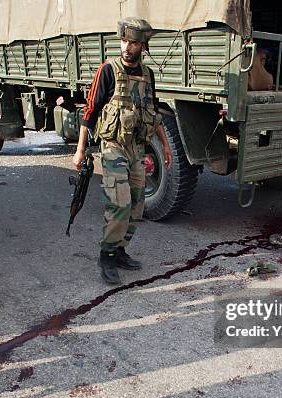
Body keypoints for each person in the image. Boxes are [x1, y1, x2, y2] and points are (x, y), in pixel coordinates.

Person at [73, 17, 173, 285]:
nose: (127, 47)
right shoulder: (108, 70)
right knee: (119, 203)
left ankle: (119, 250)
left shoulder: (147, 75)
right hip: (113, 146)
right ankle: (106, 254)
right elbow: (90, 111)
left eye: (134, 42)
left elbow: (154, 110)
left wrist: (164, 144)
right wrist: (81, 149)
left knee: (137, 204)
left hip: (137, 148)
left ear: (143, 46)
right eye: (124, 41)